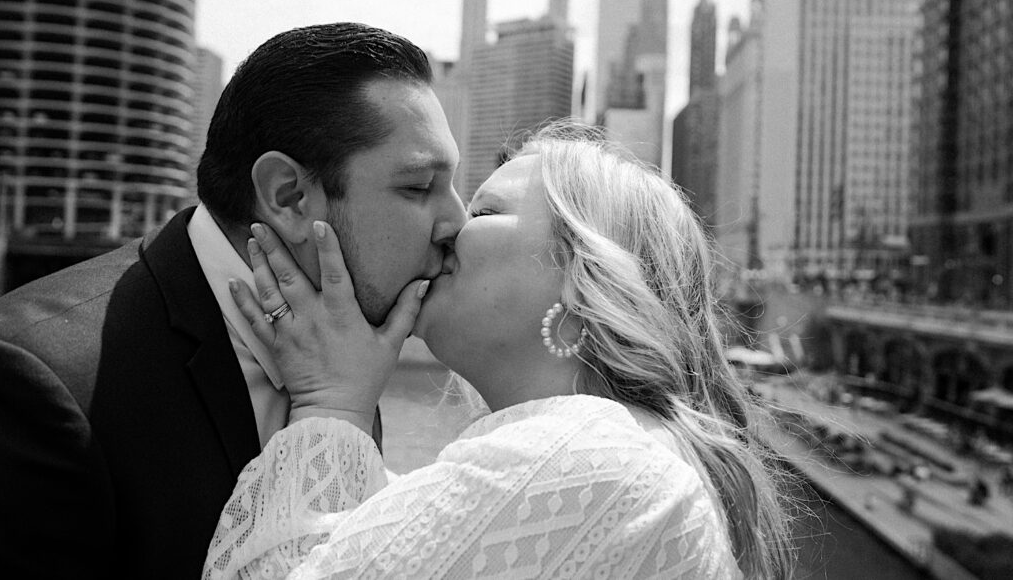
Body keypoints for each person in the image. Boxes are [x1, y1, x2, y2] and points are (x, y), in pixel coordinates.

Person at [205, 124, 795, 579]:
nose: (449, 225)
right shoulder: (620, 455)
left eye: (485, 211)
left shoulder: (588, 457)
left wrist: (329, 404)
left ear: (584, 277)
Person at [0, 23, 465, 578]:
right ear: (288, 195)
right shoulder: (38, 381)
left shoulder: (346, 343)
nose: (455, 221)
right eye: (417, 187)